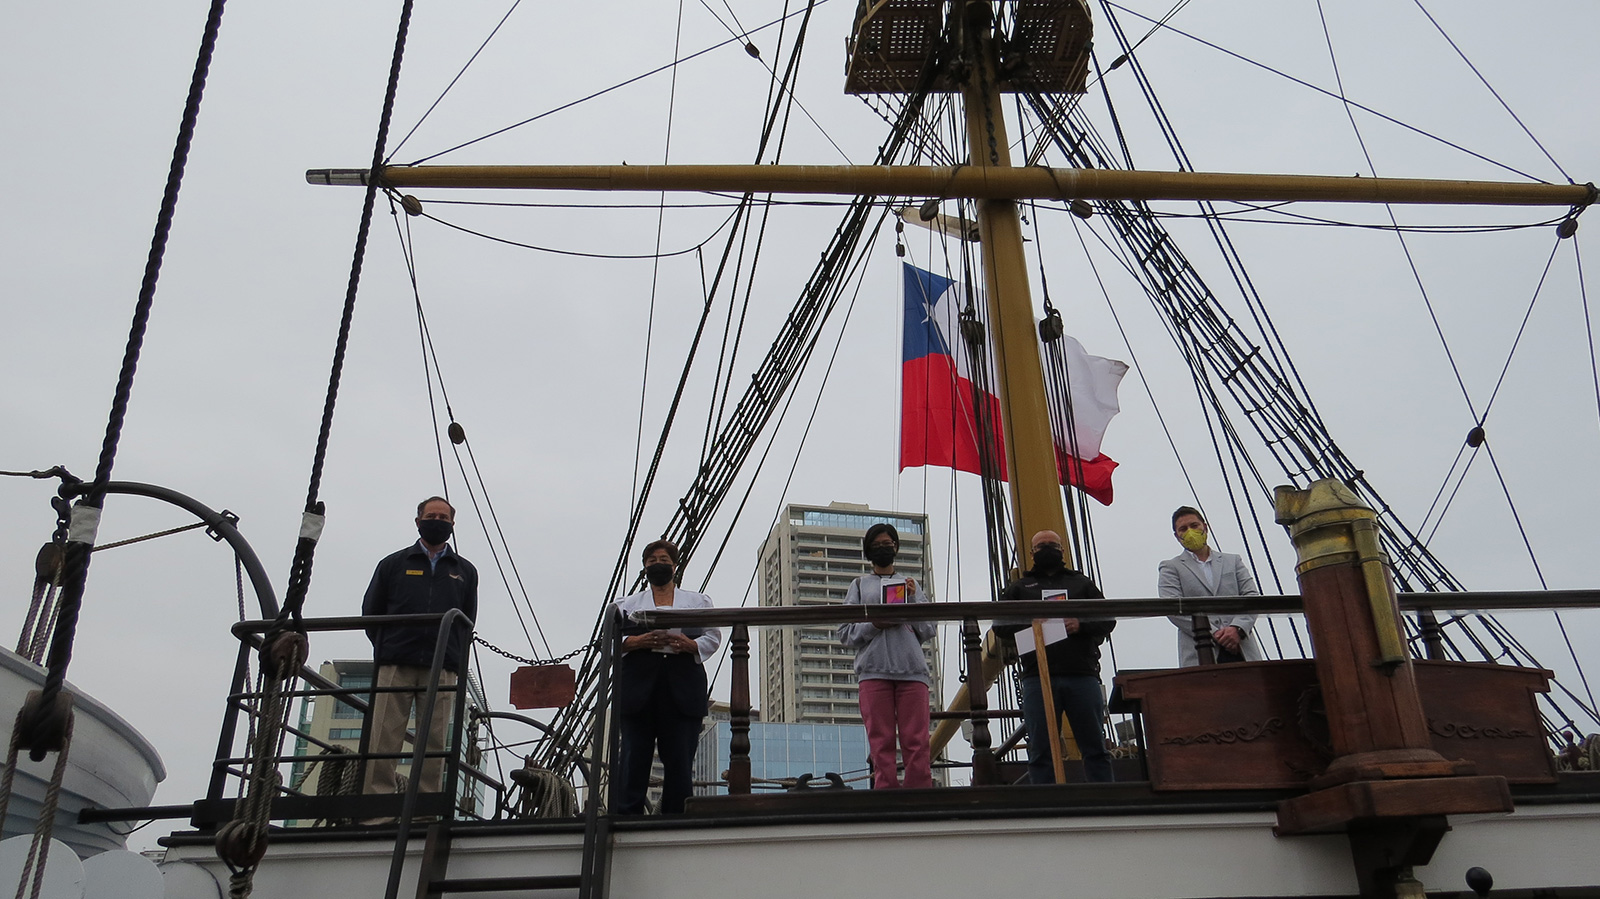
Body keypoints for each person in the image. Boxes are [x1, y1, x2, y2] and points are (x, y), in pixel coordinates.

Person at [361, 496, 479, 805]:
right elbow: (371, 612)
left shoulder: (464, 571)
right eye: (431, 516)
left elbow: (467, 620)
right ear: (418, 521)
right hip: (396, 662)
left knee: (435, 742)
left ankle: (426, 810)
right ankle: (376, 809)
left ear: (452, 525)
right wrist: (388, 646)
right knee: (383, 737)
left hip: (442, 666)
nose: (437, 522)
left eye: (443, 518)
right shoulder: (393, 564)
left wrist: (453, 654)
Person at [996, 530, 1115, 784]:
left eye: (1052, 545)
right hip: (1037, 676)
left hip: (1081, 673)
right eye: (1041, 546)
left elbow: (1108, 618)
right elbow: (999, 626)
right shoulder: (1019, 588)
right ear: (1031, 554)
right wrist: (1031, 625)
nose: (1047, 549)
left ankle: (1105, 797)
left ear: (1062, 550)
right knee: (1040, 748)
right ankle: (1045, 801)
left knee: (1095, 744)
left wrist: (1080, 624)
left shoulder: (1081, 583)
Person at [613, 539, 722, 814]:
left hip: (682, 687)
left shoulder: (698, 601)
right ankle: (626, 817)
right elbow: (610, 641)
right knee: (633, 756)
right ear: (644, 568)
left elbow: (713, 636)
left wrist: (690, 644)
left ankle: (676, 817)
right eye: (652, 561)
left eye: (664, 560)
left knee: (680, 758)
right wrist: (637, 641)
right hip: (638, 689)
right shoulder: (625, 604)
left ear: (675, 566)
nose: (658, 565)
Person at [837, 523, 936, 790]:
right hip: (873, 671)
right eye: (877, 545)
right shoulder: (859, 585)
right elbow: (844, 633)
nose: (883, 549)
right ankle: (885, 792)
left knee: (917, 740)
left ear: (896, 547)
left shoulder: (911, 585)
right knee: (880, 742)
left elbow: (929, 629)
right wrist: (874, 624)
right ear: (868, 550)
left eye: (888, 544)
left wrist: (913, 599)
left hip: (912, 671)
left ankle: (920, 793)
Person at [1161, 506, 1264, 666]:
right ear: (1177, 536)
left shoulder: (1233, 561)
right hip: (1199, 653)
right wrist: (1213, 632)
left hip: (1242, 649)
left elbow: (1251, 596)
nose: (1190, 531)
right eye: (1183, 529)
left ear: (1205, 527)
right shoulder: (1171, 567)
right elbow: (1173, 609)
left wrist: (1237, 628)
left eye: (1194, 525)